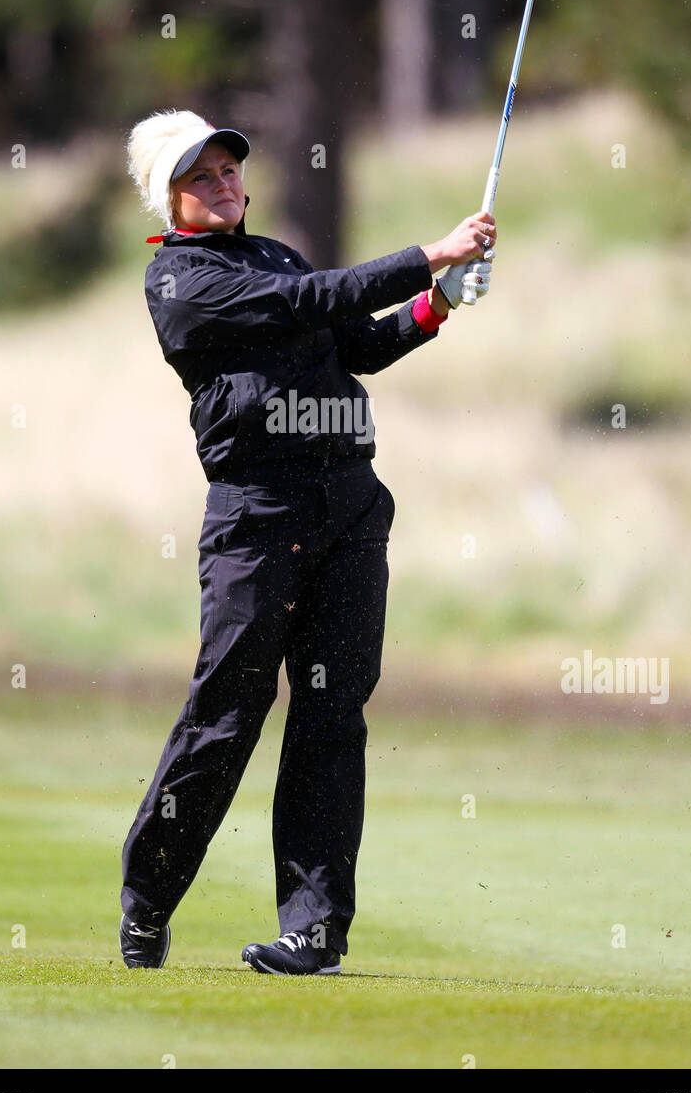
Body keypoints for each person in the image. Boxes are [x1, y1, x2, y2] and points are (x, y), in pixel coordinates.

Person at [119, 108, 496, 974]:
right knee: (226, 717)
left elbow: (355, 344)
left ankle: (315, 931)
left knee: (332, 718)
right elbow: (304, 303)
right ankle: (148, 901)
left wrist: (435, 304)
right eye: (197, 177)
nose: (220, 186)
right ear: (167, 198)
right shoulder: (178, 281)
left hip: (350, 508)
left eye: (226, 171)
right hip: (258, 518)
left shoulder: (279, 254)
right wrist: (426, 255)